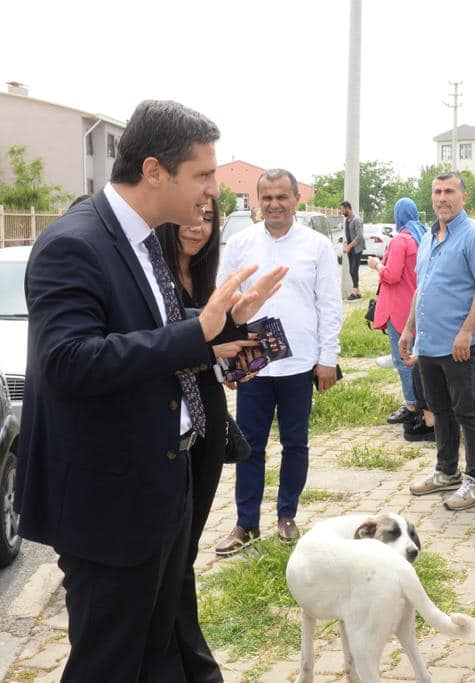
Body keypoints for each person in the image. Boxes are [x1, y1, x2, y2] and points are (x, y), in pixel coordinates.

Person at [14, 100, 285, 681]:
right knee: (110, 663)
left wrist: (228, 321)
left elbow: (150, 326)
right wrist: (198, 331)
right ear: (156, 170)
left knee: (159, 654)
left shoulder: (142, 237)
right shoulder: (74, 243)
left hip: (164, 486)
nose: (213, 191)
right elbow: (69, 361)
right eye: (203, 175)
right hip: (109, 503)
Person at [215, 168, 343, 554]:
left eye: (281, 197)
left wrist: (327, 358)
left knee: (295, 443)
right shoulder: (239, 245)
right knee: (249, 445)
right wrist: (225, 360)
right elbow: (222, 302)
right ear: (257, 201)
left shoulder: (317, 245)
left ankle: (287, 515)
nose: (274, 204)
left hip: (299, 362)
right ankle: (246, 523)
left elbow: (329, 304)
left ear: (295, 200)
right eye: (266, 197)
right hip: (253, 364)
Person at [154, 199, 229, 681]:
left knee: (187, 548)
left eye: (207, 219)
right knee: (173, 557)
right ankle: (191, 664)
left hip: (206, 415)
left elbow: (212, 355)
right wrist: (208, 346)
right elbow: (158, 351)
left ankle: (187, 659)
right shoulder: (150, 273)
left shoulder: (206, 276)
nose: (196, 228)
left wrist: (233, 356)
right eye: (188, 217)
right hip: (169, 422)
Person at [399, 172, 475, 511]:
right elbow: (420, 287)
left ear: (464, 197)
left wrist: (468, 330)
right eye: (437, 192)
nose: (442, 198)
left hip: (460, 343)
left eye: (450, 191)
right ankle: (446, 471)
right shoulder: (427, 237)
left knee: (467, 410)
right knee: (438, 410)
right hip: (429, 342)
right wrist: (409, 329)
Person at [368, 197, 426, 425]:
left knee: (402, 358)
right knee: (420, 359)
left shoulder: (400, 241)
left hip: (398, 309)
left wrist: (376, 265)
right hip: (417, 306)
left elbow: (391, 275)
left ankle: (411, 406)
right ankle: (424, 405)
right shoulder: (422, 236)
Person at [341, 200, 365, 301]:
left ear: (347, 208)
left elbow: (359, 236)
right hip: (350, 248)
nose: (342, 212)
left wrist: (349, 246)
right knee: (352, 270)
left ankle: (354, 292)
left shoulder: (357, 220)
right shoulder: (347, 220)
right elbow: (348, 234)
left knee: (353, 270)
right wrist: (346, 243)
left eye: (342, 210)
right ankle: (358, 292)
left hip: (357, 248)